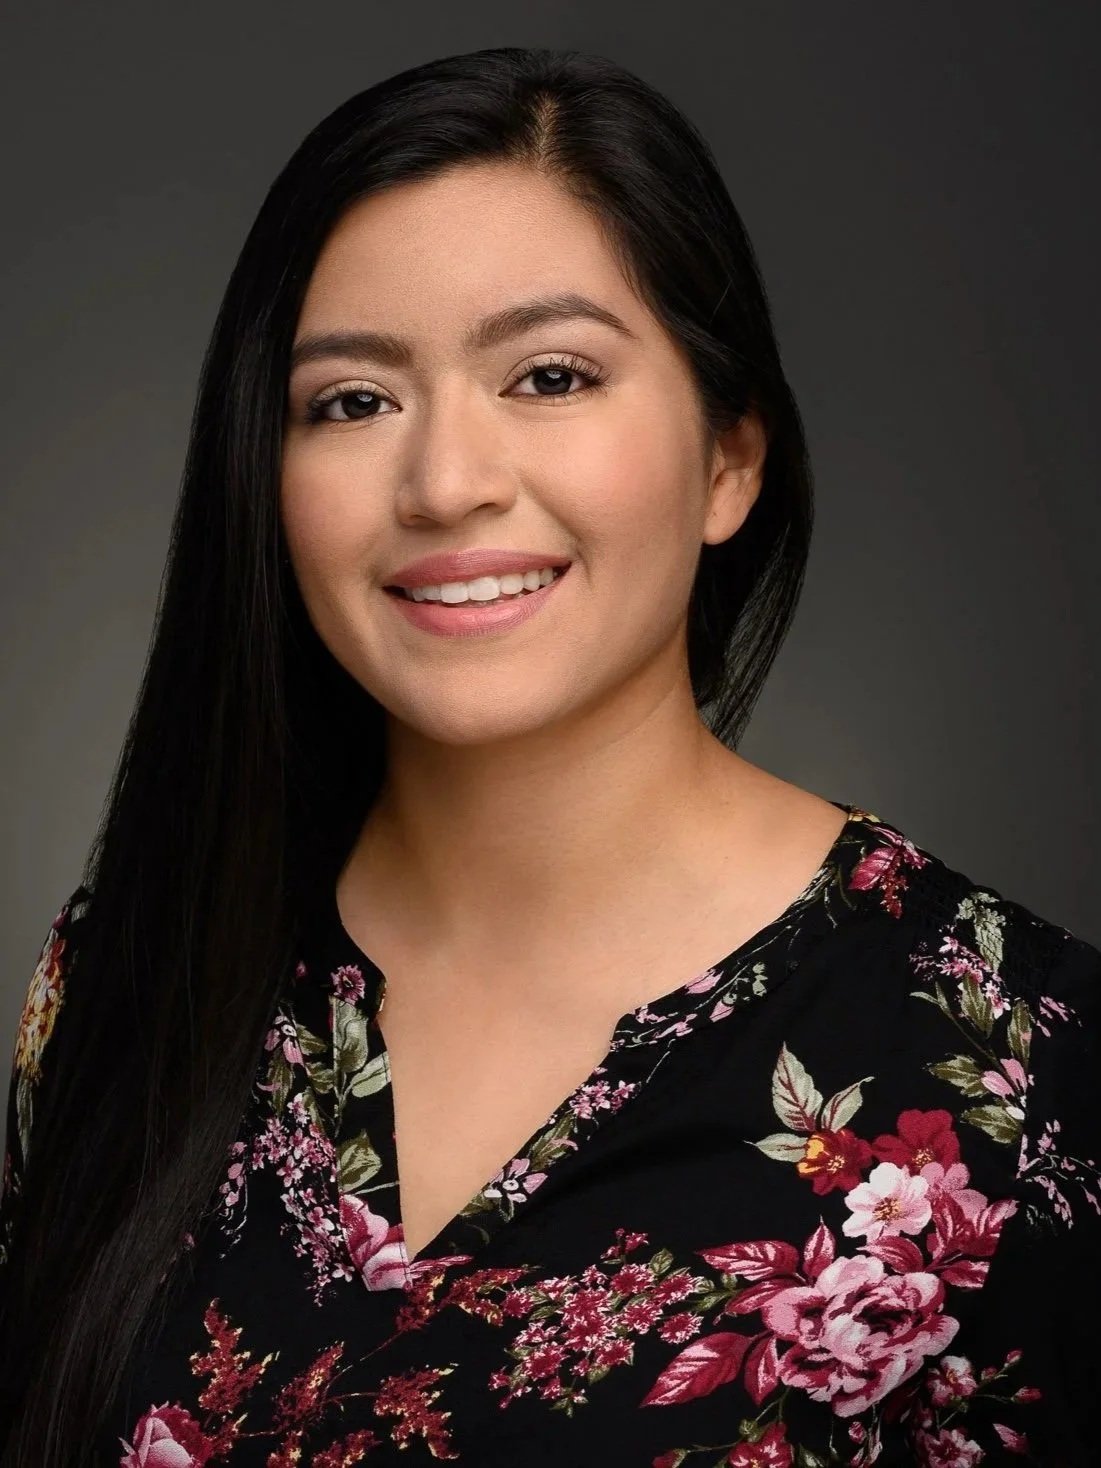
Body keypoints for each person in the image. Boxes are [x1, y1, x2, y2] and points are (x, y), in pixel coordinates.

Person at [0, 44, 1097, 1468]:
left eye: (551, 375)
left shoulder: (1024, 1068)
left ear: (728, 461)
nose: (446, 479)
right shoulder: (124, 981)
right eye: (350, 400)